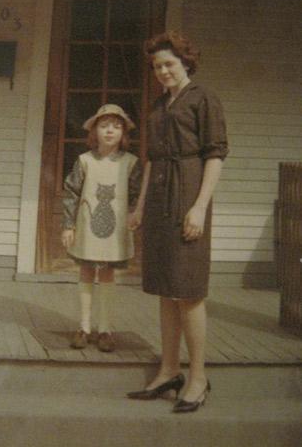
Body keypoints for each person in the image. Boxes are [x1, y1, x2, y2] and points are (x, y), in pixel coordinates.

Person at [127, 32, 228, 412]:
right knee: (165, 289)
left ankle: (198, 376)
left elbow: (215, 155)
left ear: (186, 61)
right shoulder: (158, 105)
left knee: (188, 290)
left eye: (169, 63)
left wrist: (200, 206)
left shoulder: (203, 99)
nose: (163, 71)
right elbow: (152, 158)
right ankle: (169, 369)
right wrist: (139, 207)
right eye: (157, 66)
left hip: (188, 194)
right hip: (158, 200)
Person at [61, 104, 142, 353]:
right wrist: (68, 225)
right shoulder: (84, 161)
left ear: (124, 134)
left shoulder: (130, 163)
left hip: (116, 230)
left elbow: (137, 194)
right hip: (87, 227)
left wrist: (134, 215)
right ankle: (84, 327)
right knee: (86, 271)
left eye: (116, 127)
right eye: (104, 126)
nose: (110, 131)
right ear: (94, 131)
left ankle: (105, 328)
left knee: (107, 274)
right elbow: (72, 193)